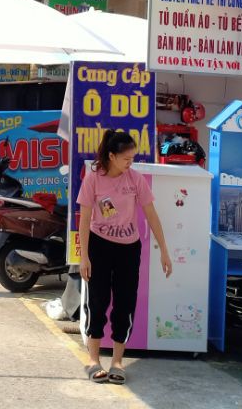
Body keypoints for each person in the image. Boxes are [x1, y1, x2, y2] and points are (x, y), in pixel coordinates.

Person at [78, 129, 172, 385]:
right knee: (97, 302)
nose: (131, 163)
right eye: (126, 159)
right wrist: (84, 256)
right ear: (111, 156)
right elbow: (84, 219)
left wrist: (164, 249)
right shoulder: (93, 179)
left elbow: (151, 214)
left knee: (125, 303)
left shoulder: (136, 179)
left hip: (128, 249)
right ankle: (93, 360)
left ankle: (117, 362)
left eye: (133, 158)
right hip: (99, 246)